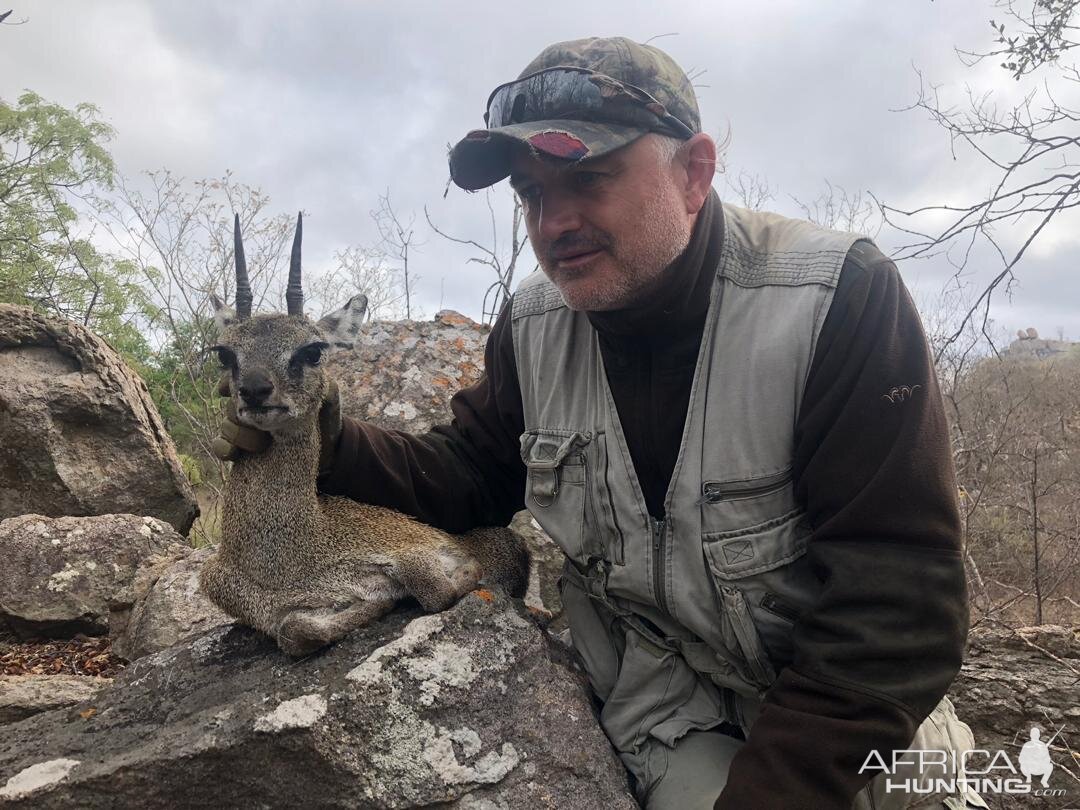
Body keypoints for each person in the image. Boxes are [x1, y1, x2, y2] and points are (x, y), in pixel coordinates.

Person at [216, 36, 984, 810]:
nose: (553, 223)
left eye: (588, 178)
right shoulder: (535, 324)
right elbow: (469, 475)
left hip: (846, 728)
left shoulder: (836, 301)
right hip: (670, 715)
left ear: (694, 172)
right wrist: (321, 440)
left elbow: (899, 601)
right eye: (530, 194)